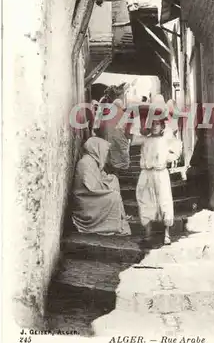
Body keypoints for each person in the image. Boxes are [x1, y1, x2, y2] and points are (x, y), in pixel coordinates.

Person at [134, 108, 183, 247]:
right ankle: (148, 232)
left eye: (157, 124)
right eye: (152, 124)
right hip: (146, 173)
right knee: (145, 201)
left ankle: (167, 233)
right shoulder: (145, 139)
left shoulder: (165, 139)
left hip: (160, 173)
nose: (155, 126)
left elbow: (177, 148)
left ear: (162, 126)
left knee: (164, 201)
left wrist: (167, 158)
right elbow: (131, 138)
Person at [71, 136, 131, 236]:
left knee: (113, 180)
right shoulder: (85, 163)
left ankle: (119, 216)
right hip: (86, 200)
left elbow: (98, 177)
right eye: (104, 151)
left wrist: (109, 179)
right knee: (114, 196)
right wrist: (105, 189)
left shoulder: (93, 161)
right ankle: (111, 224)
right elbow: (89, 189)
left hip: (92, 195)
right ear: (96, 148)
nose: (106, 155)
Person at [94, 99, 131, 177]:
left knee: (112, 155)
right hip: (120, 138)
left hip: (109, 138)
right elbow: (127, 130)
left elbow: (99, 127)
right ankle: (120, 173)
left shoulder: (107, 115)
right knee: (121, 155)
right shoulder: (125, 114)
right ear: (121, 106)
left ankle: (113, 173)